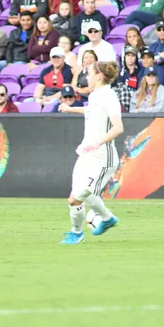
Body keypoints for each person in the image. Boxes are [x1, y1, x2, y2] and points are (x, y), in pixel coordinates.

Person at [57, 61, 123, 244]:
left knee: (74, 199)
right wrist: (71, 109)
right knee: (82, 195)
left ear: (99, 76)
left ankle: (76, 233)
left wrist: (97, 142)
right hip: (87, 153)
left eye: (89, 73)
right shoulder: (95, 95)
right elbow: (91, 111)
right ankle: (108, 218)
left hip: (102, 158)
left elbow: (118, 127)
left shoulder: (109, 96)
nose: (87, 76)